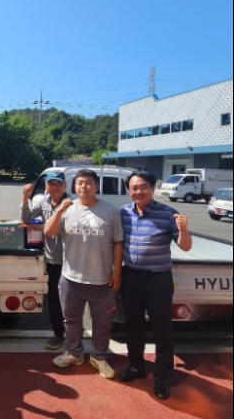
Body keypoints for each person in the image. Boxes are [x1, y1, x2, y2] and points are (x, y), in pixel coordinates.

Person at [118, 170, 192, 400]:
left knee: (162, 329)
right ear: (129, 190)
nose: (139, 191)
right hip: (131, 278)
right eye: (134, 188)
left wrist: (184, 229)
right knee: (133, 326)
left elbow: (185, 246)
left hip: (158, 280)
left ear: (152, 188)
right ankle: (136, 366)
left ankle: (162, 376)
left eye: (143, 187)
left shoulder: (168, 213)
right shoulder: (123, 213)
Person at [45, 168, 123, 379]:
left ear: (96, 186)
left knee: (102, 323)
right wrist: (59, 210)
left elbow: (118, 243)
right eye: (80, 183)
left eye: (88, 182)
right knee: (71, 320)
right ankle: (74, 353)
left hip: (101, 279)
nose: (84, 186)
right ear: (74, 186)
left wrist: (117, 272)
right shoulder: (67, 208)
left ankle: (99, 356)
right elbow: (49, 231)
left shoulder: (110, 211)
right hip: (71, 278)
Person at [20, 170, 68, 350]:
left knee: (72, 302)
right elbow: (26, 219)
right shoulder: (43, 201)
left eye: (58, 183)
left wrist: (39, 226)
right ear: (46, 185)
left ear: (64, 186)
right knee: (54, 299)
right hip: (52, 260)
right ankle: (58, 335)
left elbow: (57, 230)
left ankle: (74, 337)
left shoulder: (71, 204)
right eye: (51, 183)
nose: (54, 187)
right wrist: (25, 197)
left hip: (71, 261)